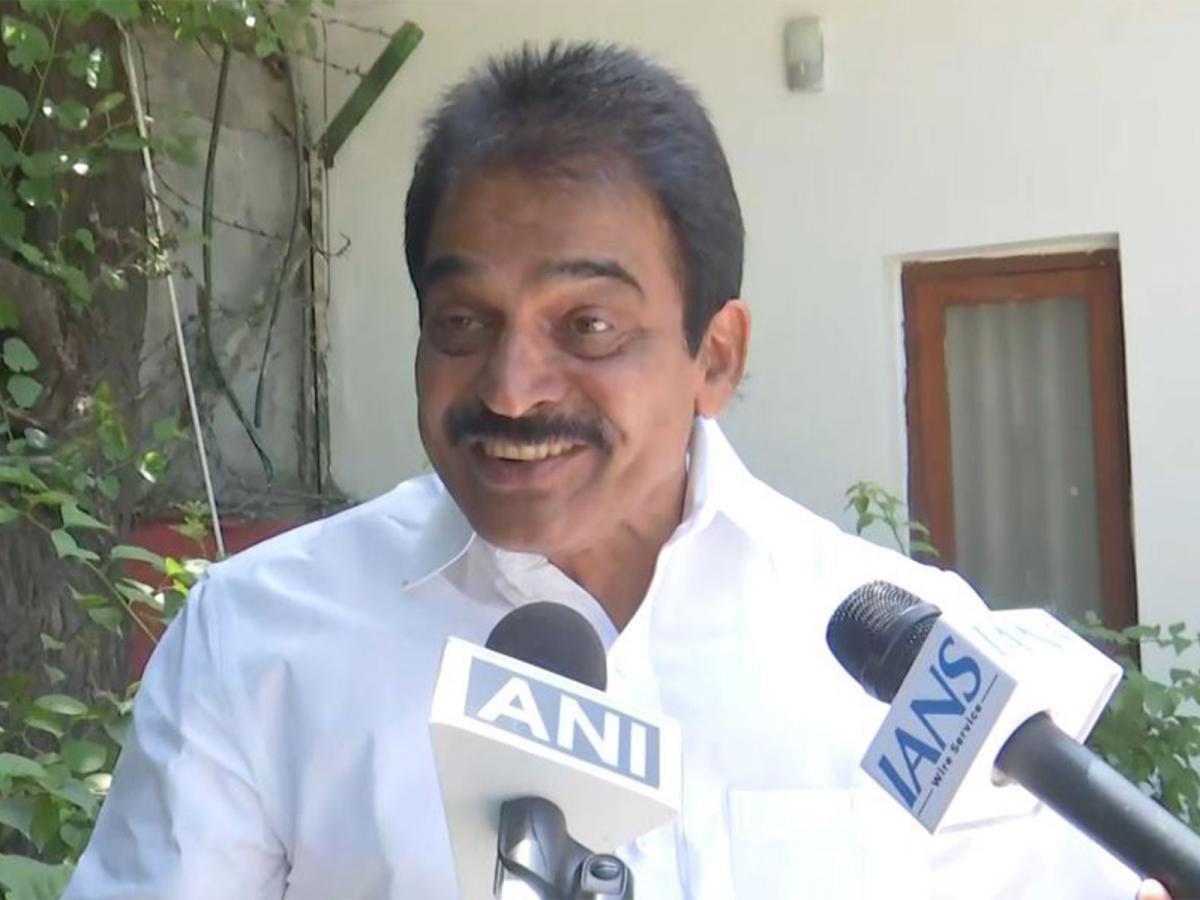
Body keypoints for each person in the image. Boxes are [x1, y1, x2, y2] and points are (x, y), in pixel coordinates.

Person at [67, 43, 1167, 899]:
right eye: (463, 321)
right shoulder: (260, 641)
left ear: (714, 357)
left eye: (587, 325)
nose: (511, 388)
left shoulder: (914, 658)